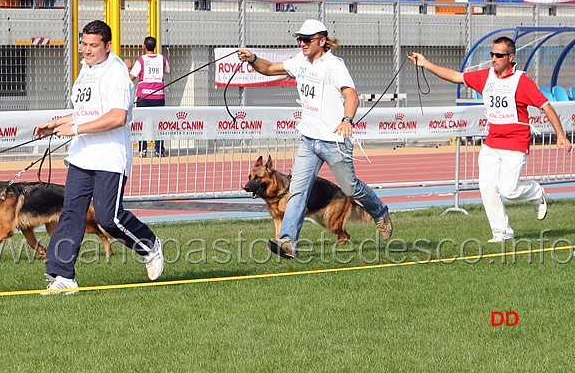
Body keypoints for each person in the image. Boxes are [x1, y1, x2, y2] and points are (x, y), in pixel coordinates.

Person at [237, 20, 393, 259]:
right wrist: (253, 58)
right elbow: (269, 68)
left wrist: (347, 120)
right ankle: (288, 242)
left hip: (334, 141)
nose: (302, 43)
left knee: (350, 187)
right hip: (309, 140)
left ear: (322, 41)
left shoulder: (333, 64)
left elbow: (351, 95)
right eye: (300, 39)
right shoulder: (299, 61)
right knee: (297, 192)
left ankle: (380, 212)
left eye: (307, 39)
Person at [34, 20, 165, 294]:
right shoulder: (86, 70)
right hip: (82, 156)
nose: (87, 50)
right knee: (70, 213)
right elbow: (85, 111)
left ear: (107, 46)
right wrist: (56, 122)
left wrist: (76, 128)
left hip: (110, 158)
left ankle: (149, 245)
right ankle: (62, 276)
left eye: (93, 46)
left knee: (109, 218)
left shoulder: (116, 72)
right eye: (84, 44)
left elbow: (118, 117)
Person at [408, 37, 571, 243]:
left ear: (510, 57)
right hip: (492, 142)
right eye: (492, 54)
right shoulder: (486, 77)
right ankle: (501, 234)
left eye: (499, 55)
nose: (494, 59)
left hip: (515, 143)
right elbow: (457, 77)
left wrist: (561, 135)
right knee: (487, 189)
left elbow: (546, 106)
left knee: (509, 190)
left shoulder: (522, 81)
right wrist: (426, 64)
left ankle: (536, 192)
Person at [129, 36, 171, 157]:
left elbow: (132, 77)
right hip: (159, 96)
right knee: (159, 123)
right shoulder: (161, 58)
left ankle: (143, 149)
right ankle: (159, 149)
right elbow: (167, 70)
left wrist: (128, 67)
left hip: (144, 96)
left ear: (144, 46)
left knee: (142, 123)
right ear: (155, 46)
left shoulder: (141, 60)